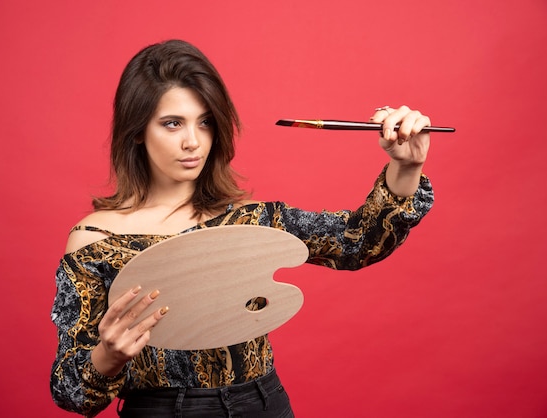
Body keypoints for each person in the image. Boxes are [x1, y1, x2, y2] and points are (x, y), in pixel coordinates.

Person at [50, 39, 434, 418]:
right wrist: (108, 356)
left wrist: (407, 167)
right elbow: (71, 392)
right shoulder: (96, 243)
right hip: (161, 410)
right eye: (172, 124)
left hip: (263, 403)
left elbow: (359, 243)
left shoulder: (250, 221)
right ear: (137, 130)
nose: (192, 142)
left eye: (205, 122)